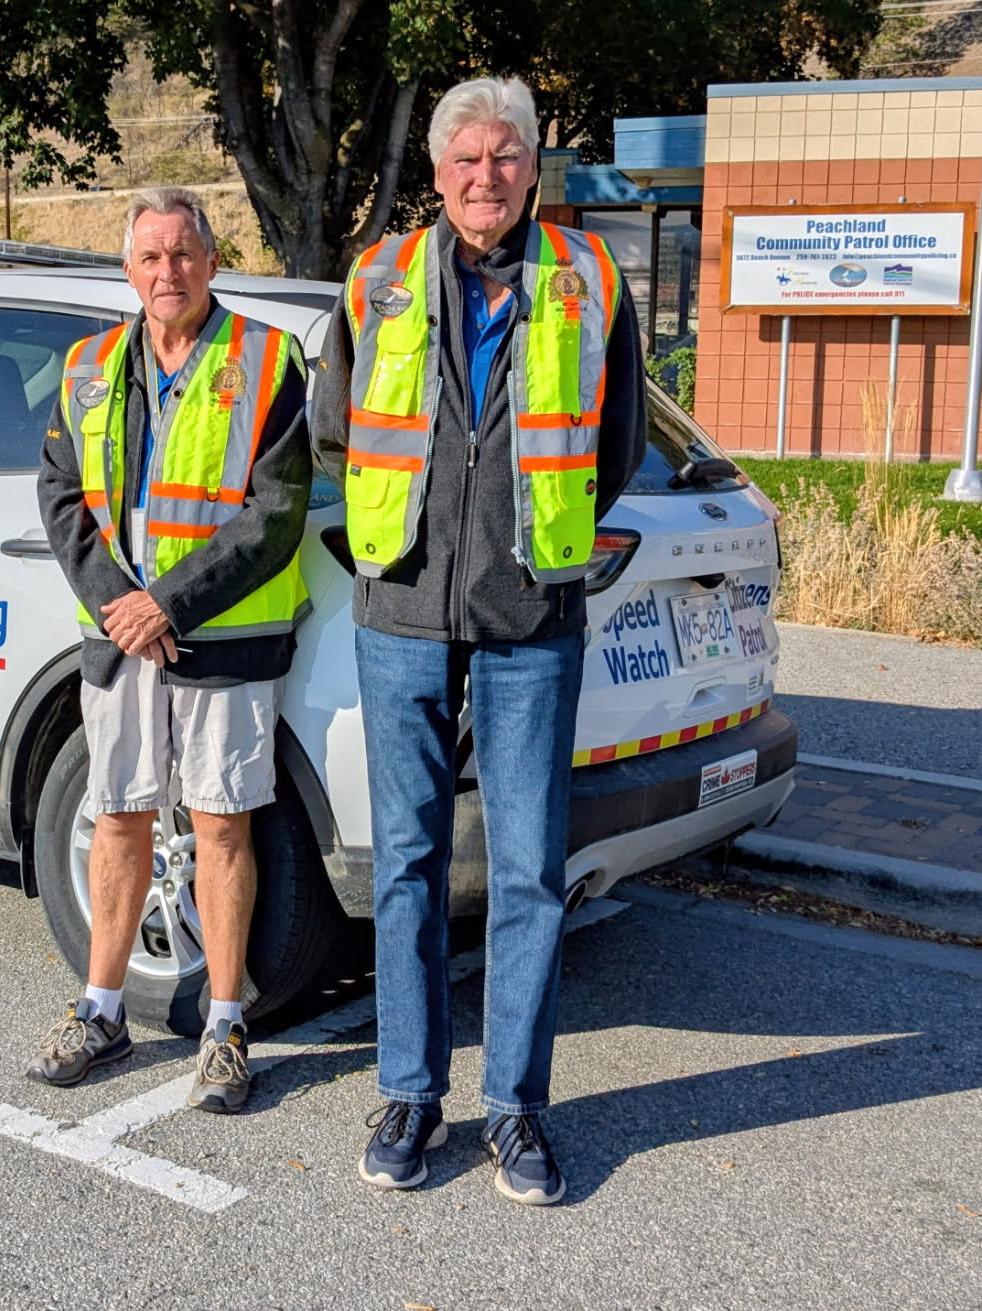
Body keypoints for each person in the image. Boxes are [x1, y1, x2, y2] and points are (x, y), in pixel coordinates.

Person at [311, 76, 645, 1202]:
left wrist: (531, 533)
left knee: (529, 874)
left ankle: (517, 1110)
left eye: (505, 157)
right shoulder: (378, 277)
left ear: (531, 166)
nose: (484, 176)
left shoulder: (589, 276)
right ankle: (410, 1093)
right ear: (439, 170)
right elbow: (333, 422)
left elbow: (620, 439)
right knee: (403, 864)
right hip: (401, 604)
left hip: (529, 610)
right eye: (466, 158)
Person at [32, 186, 312, 1113]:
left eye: (183, 253)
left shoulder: (268, 361)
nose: (167, 271)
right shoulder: (84, 366)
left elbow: (274, 514)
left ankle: (225, 1024)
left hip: (222, 637)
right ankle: (101, 1010)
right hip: (120, 639)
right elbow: (61, 497)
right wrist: (121, 604)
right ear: (127, 269)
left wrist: (168, 604)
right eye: (149, 256)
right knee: (118, 818)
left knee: (222, 822)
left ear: (212, 260)